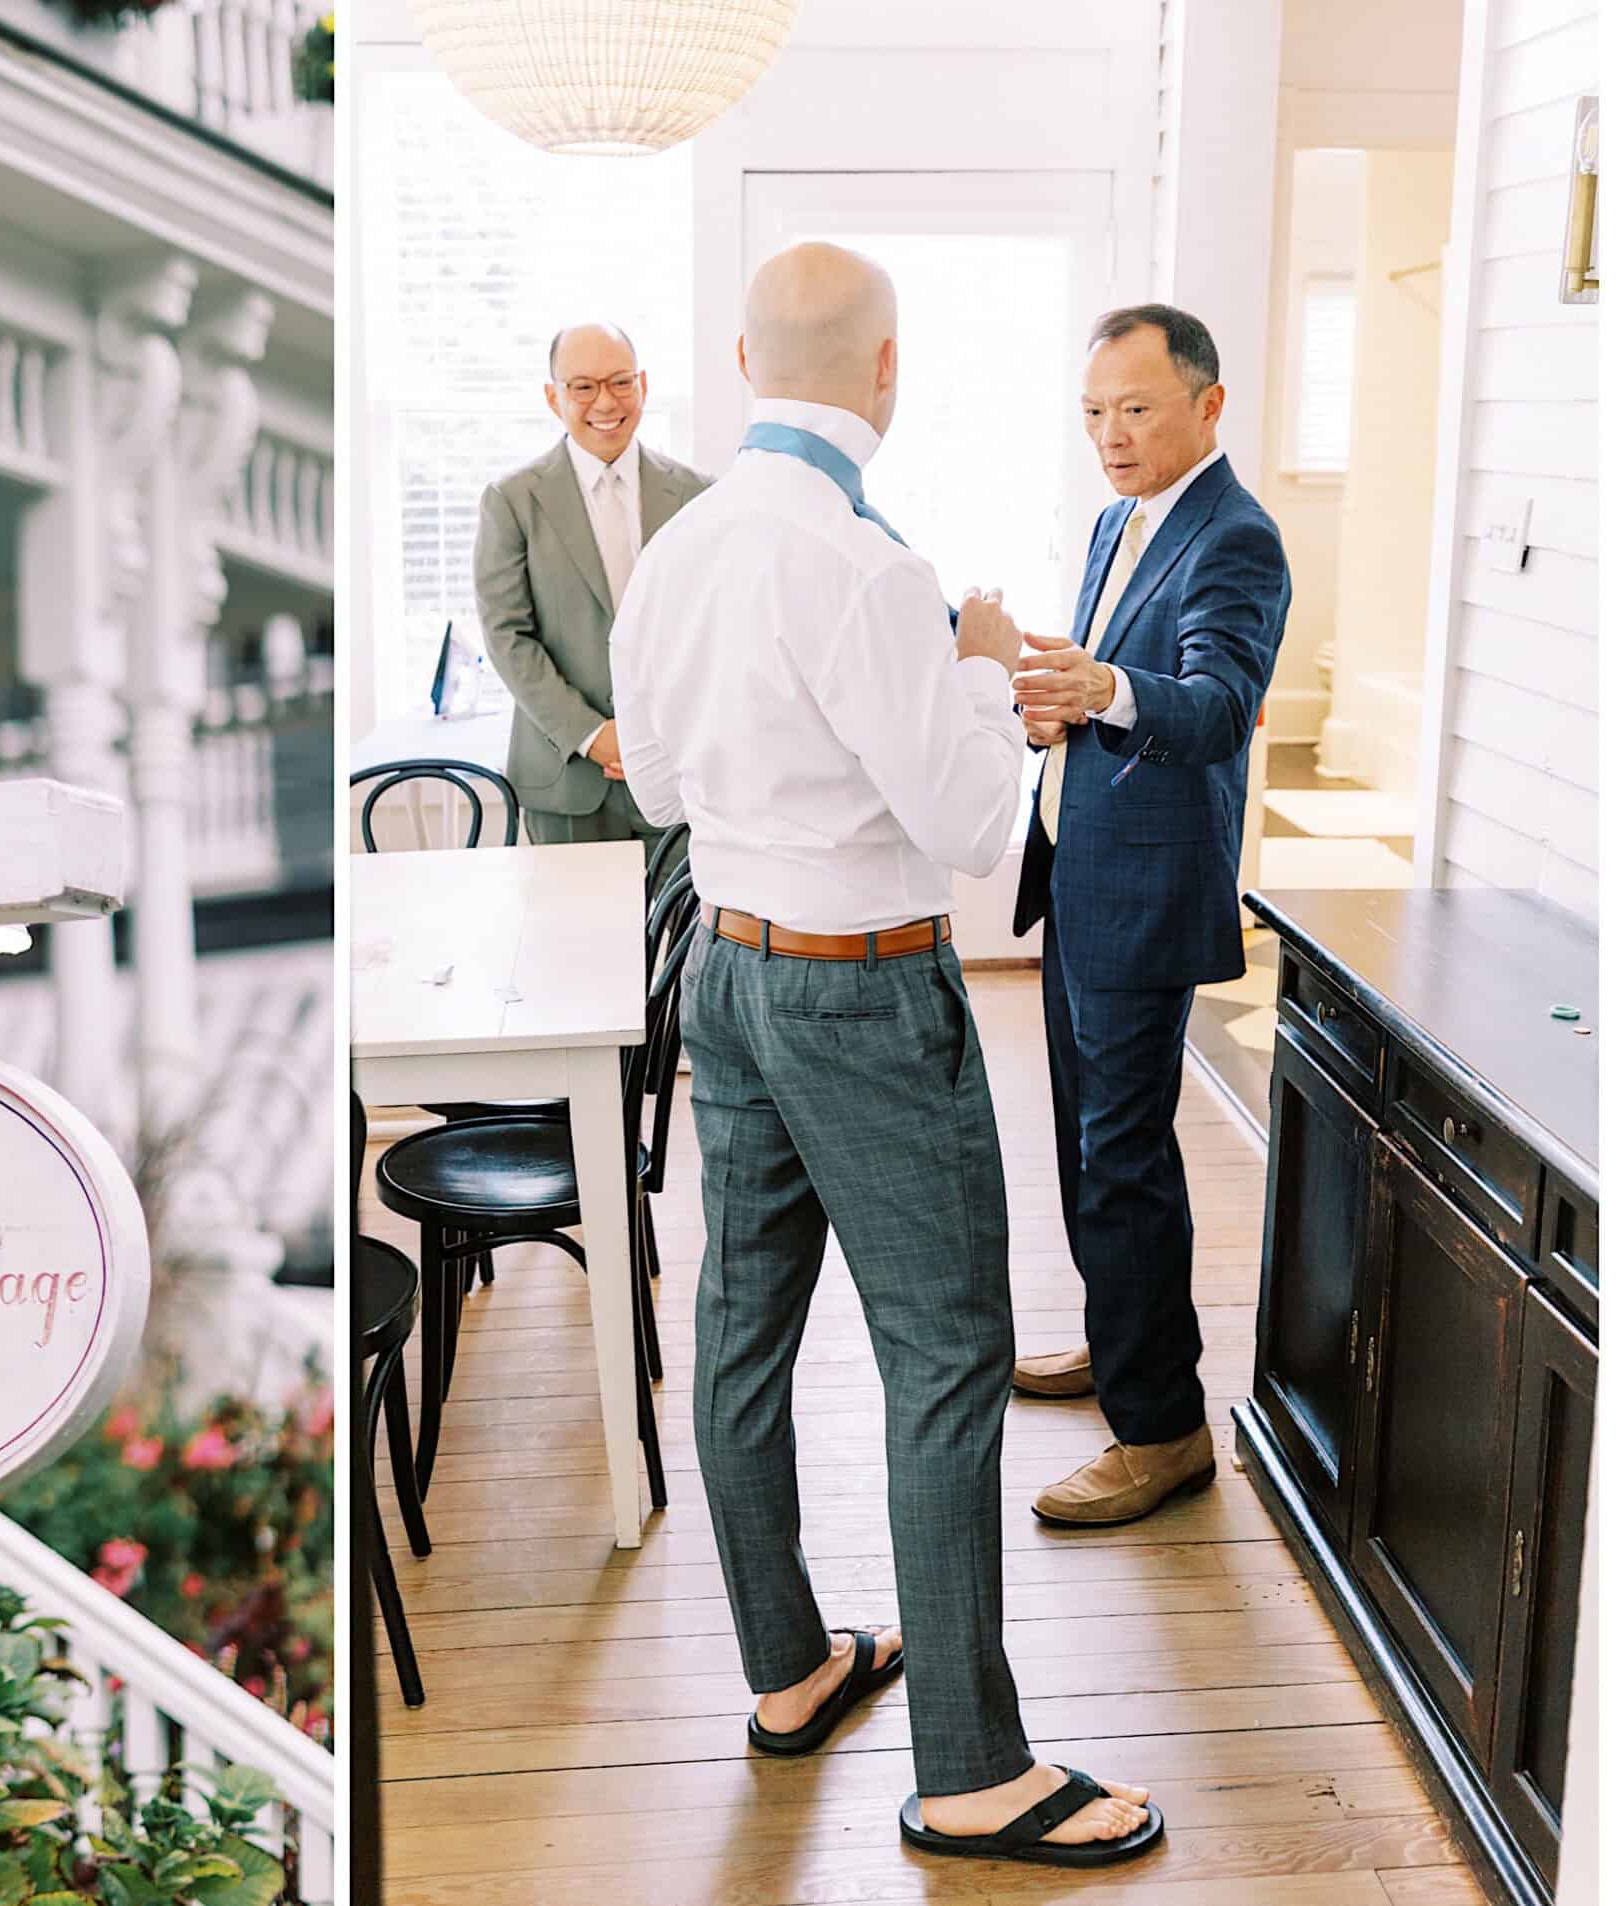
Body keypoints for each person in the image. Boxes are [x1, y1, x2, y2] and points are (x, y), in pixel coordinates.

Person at [610, 241, 1159, 1868]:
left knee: (738, 1333)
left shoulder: (681, 542)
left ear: (739, 358)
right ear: (889, 369)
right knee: (946, 1358)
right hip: (860, 991)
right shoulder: (860, 565)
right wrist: (987, 663)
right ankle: (978, 1771)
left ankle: (788, 1671)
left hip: (727, 968)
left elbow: (652, 794)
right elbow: (977, 823)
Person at [1009, 305, 1292, 1528]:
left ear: (1205, 404)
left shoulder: (1238, 537)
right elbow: (1120, 688)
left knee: (1121, 1155)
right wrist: (1058, 706)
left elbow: (1217, 704)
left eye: (1133, 408)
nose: (1109, 437)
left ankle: (1162, 1431)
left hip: (1142, 893)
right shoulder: (1116, 520)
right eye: (1092, 414)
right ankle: (1123, 1348)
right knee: (1087, 1141)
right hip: (1078, 870)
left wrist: (1108, 686)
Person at [475, 323, 707, 848]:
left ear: (643, 385)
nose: (605, 401)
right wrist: (593, 735)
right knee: (573, 933)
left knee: (676, 932)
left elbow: (713, 632)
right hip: (566, 778)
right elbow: (506, 635)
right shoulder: (510, 500)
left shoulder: (697, 495)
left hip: (678, 773)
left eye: (620, 382)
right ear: (553, 396)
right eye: (582, 386)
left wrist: (668, 735)